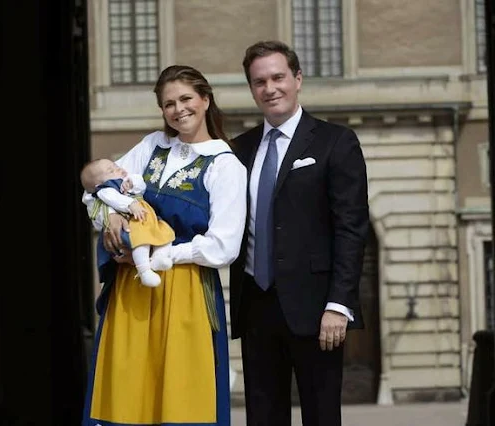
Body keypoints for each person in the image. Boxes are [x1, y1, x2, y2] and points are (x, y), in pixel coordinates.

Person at [81, 65, 247, 426]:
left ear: (205, 100)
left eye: (186, 98)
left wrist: (161, 254)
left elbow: (224, 245)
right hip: (131, 288)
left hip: (185, 288)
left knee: (182, 397)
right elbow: (94, 189)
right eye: (169, 103)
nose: (178, 109)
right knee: (126, 395)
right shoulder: (151, 146)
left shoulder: (225, 164)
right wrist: (111, 217)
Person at [229, 40, 369, 426]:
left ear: (298, 79)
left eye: (278, 77)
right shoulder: (239, 149)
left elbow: (351, 228)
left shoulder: (335, 142)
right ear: (252, 89)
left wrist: (339, 305)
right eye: (259, 82)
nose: (270, 88)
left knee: (322, 417)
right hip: (256, 306)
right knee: (262, 417)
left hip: (317, 310)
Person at [80, 158, 175, 287]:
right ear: (99, 184)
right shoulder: (105, 190)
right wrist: (130, 205)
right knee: (141, 239)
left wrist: (132, 182)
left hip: (146, 217)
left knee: (164, 232)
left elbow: (141, 186)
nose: (118, 169)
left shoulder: (125, 180)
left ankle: (158, 258)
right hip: (132, 219)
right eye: (111, 171)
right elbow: (114, 199)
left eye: (115, 166)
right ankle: (144, 270)